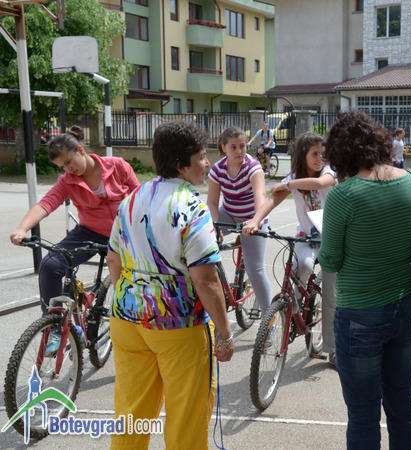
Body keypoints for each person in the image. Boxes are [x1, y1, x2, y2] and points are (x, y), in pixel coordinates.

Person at [106, 120, 234, 449]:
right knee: (186, 420)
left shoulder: (131, 199)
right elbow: (205, 280)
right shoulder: (193, 207)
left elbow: (113, 260)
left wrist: (133, 299)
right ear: (181, 165)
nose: (207, 163)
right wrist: (225, 332)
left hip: (126, 320)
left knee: (131, 413)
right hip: (179, 325)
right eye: (201, 157)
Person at [318, 109, 411, 449]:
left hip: (359, 313)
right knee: (402, 402)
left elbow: (330, 261)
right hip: (407, 307)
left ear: (340, 152)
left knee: (363, 414)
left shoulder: (343, 195)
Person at [9, 125, 139, 354]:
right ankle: (55, 327)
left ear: (80, 150)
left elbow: (141, 195)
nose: (69, 169)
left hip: (126, 232)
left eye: (69, 162)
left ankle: (135, 324)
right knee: (50, 265)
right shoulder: (67, 181)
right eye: (63, 166)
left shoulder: (117, 165)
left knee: (134, 281)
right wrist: (22, 229)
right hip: (89, 232)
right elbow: (46, 204)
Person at [242, 131, 338, 364]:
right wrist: (255, 221)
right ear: (303, 155)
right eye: (314, 154)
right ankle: (293, 305)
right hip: (306, 238)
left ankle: (333, 350)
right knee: (302, 265)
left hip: (331, 240)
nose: (320, 158)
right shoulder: (294, 178)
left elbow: (320, 184)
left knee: (331, 296)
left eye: (323, 154)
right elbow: (272, 200)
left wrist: (288, 183)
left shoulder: (327, 173)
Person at [208, 126, 272, 317]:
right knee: (202, 240)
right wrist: (214, 226)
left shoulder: (253, 167)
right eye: (233, 147)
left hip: (253, 217)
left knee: (256, 270)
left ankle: (268, 320)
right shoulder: (218, 169)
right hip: (228, 214)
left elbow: (260, 196)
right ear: (224, 147)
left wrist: (256, 222)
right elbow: (212, 203)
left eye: (242, 146)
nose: (239, 151)